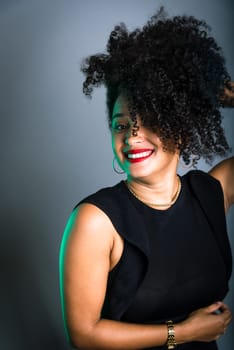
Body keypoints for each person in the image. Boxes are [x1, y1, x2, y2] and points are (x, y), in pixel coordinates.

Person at [59, 8, 234, 350]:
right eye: (121, 125)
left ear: (182, 129)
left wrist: (215, 93)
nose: (132, 137)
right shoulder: (95, 220)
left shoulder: (212, 192)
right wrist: (183, 332)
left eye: (152, 120)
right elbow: (84, 334)